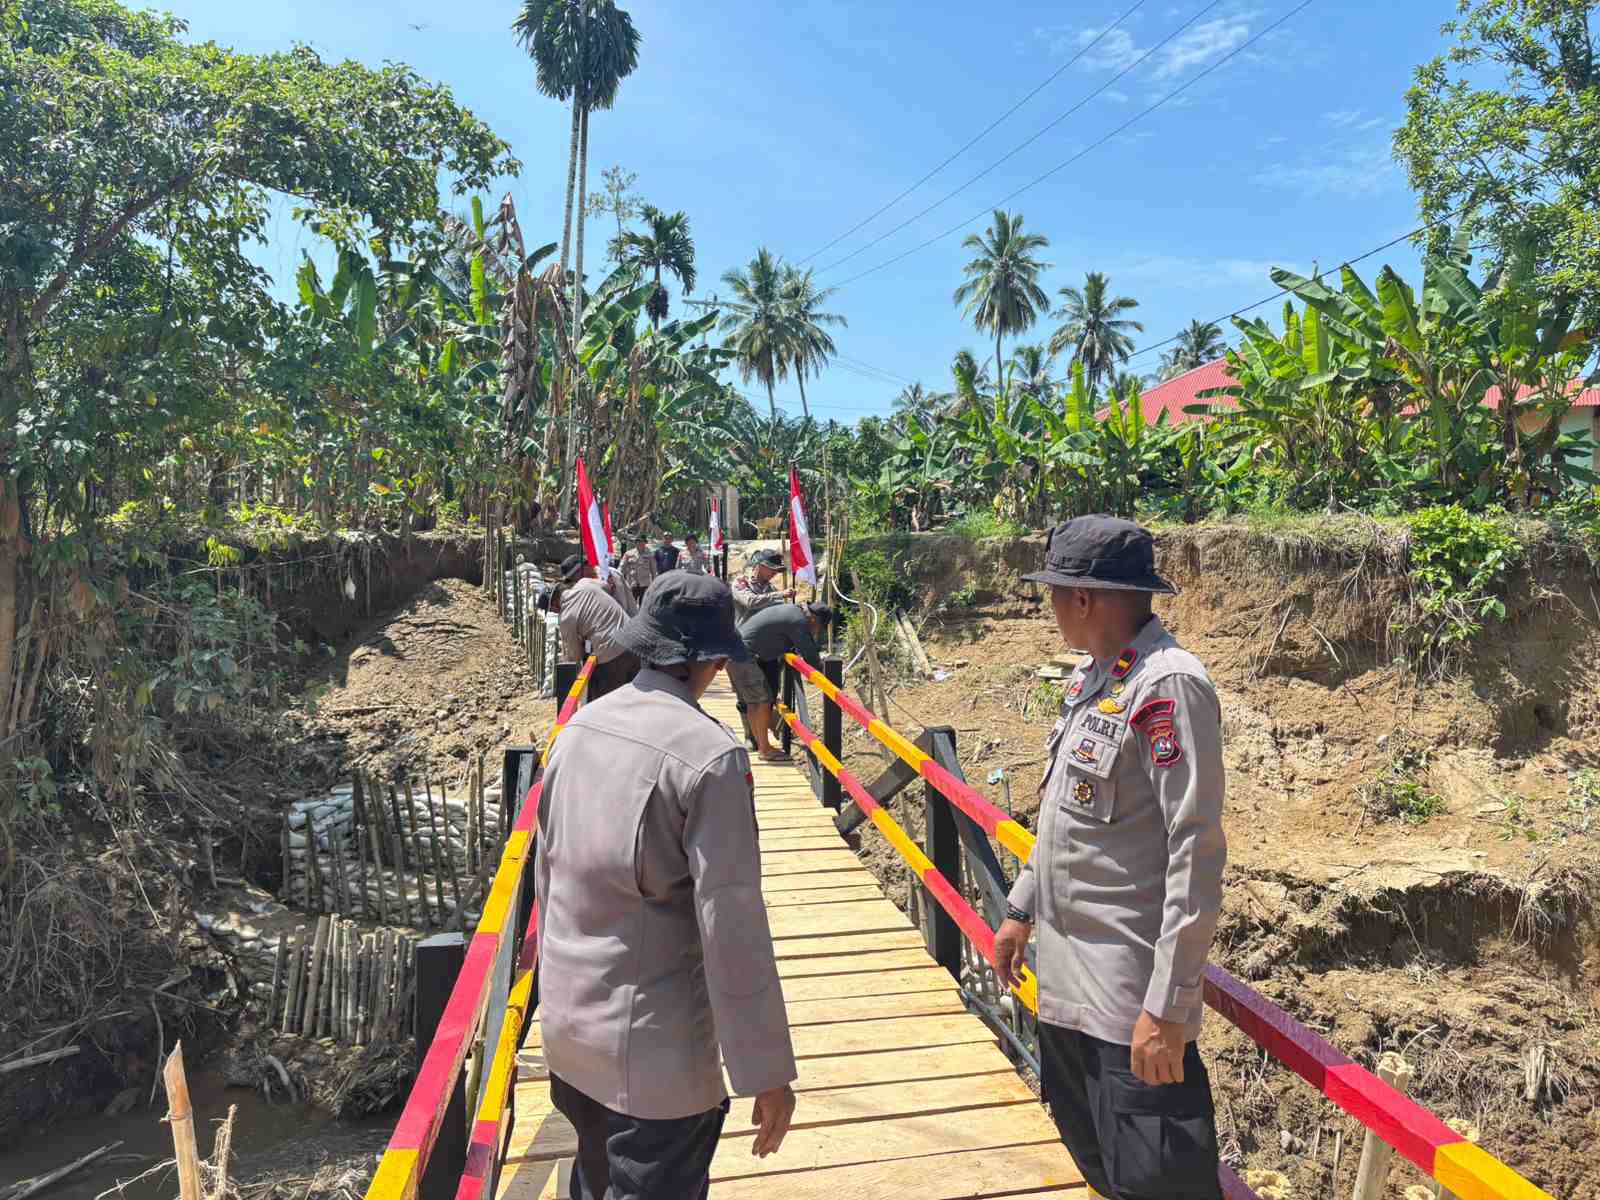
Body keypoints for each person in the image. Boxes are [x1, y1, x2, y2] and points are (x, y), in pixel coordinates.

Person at [536, 573, 798, 1200]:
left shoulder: (578, 729)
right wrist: (764, 1071)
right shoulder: (710, 757)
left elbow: (548, 879)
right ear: (710, 657)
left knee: (591, 1181)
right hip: (654, 1067)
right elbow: (731, 923)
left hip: (570, 1036)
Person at [992, 515, 1227, 1200]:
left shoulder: (1168, 685)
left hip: (1131, 1010)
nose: (1054, 607)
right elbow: (1065, 818)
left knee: (1158, 1185)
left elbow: (1196, 850)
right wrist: (1019, 910)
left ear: (1085, 598)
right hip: (1067, 992)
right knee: (1098, 1168)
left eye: (1056, 592)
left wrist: (1169, 1008)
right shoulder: (1096, 679)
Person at [726, 602, 830, 762]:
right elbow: (810, 655)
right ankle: (765, 749)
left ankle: (761, 745)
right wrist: (827, 677)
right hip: (745, 657)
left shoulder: (792, 611)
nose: (816, 632)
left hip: (736, 652)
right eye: (819, 629)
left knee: (755, 702)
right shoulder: (798, 621)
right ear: (815, 620)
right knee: (762, 702)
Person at [556, 555, 641, 700]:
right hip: (632, 639)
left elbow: (573, 654)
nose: (573, 583)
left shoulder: (609, 575)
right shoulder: (589, 583)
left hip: (615, 648)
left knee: (607, 697)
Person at [731, 548, 793, 623]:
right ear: (761, 566)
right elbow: (750, 602)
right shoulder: (741, 582)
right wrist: (780, 594)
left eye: (776, 570)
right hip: (743, 632)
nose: (775, 573)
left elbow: (778, 608)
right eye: (771, 568)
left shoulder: (771, 588)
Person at [619, 533, 658, 603]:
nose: (639, 543)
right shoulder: (629, 554)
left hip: (645, 584)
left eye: (641, 541)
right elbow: (621, 567)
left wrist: (654, 584)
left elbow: (653, 570)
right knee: (631, 604)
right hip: (632, 584)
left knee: (643, 604)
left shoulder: (650, 554)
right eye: (637, 541)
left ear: (645, 542)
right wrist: (619, 579)